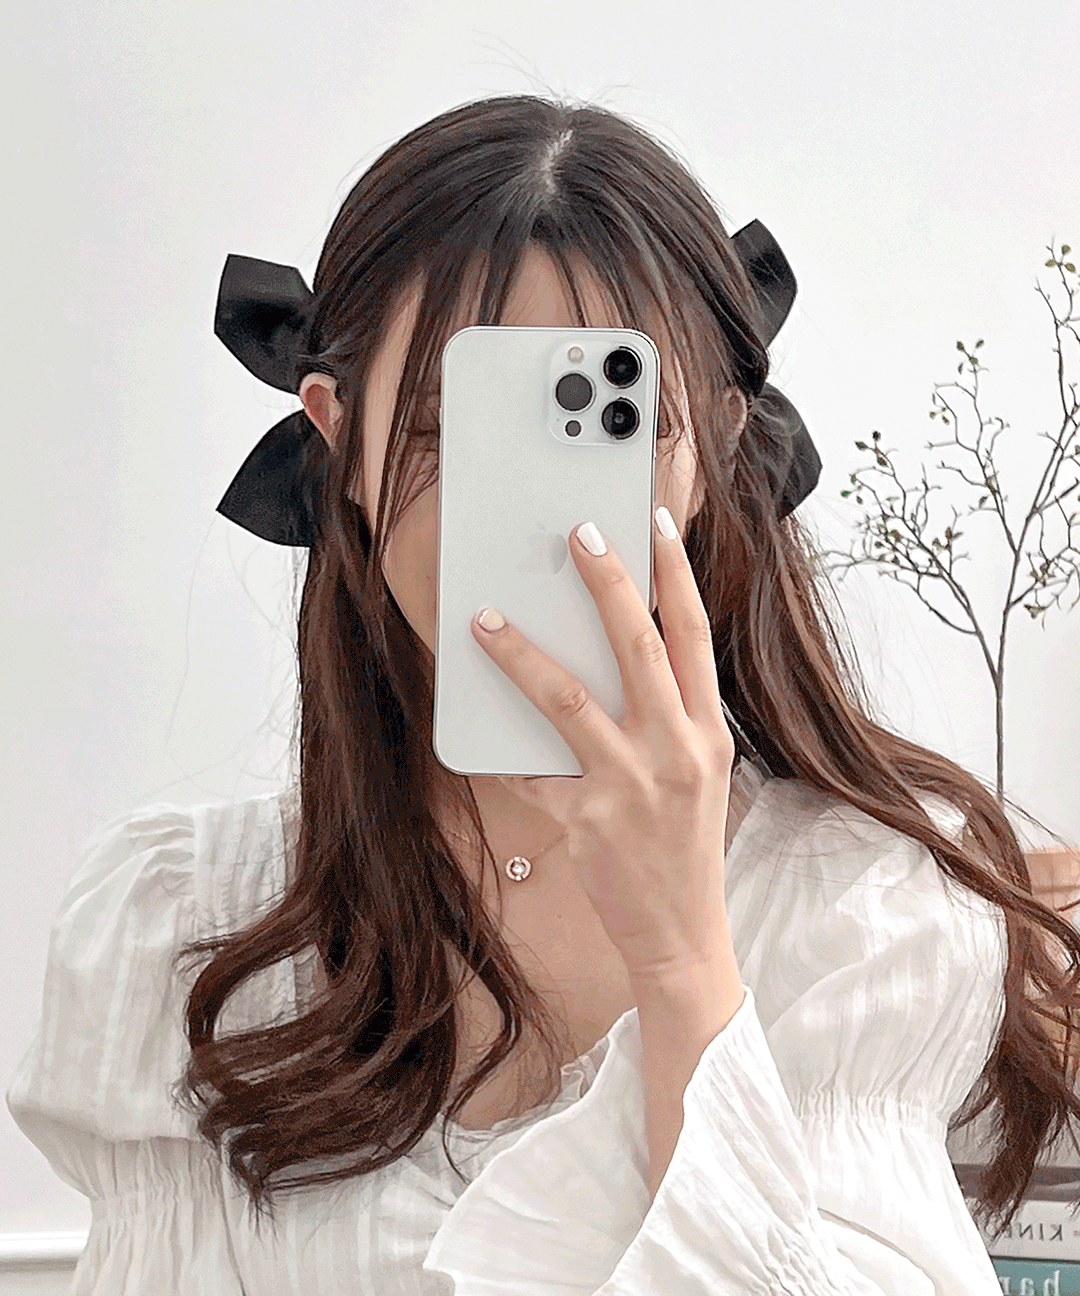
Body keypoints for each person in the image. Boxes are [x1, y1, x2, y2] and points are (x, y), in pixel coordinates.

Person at [8, 93, 1080, 1295]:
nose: (521, 514)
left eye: (602, 431)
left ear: (715, 445)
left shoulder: (862, 910)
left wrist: (681, 958)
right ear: (337, 438)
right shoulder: (182, 926)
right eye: (442, 427)